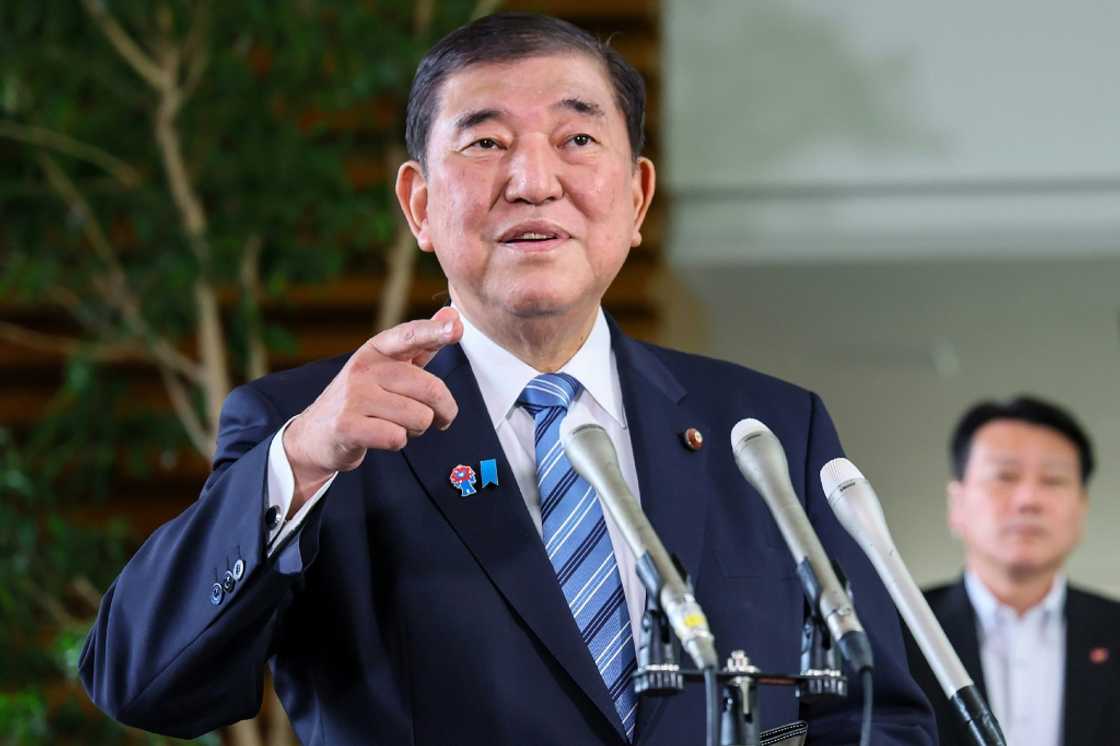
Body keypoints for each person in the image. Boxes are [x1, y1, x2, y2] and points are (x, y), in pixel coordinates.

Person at [80, 13, 935, 745]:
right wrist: (299, 459)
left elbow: (882, 717)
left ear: (637, 200)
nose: (533, 181)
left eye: (577, 139)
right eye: (486, 142)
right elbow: (141, 683)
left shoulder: (771, 430)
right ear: (418, 206)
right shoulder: (316, 431)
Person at [905, 396, 1120, 746]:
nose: (1028, 499)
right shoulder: (898, 634)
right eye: (1004, 476)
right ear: (957, 504)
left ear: (1081, 508)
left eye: (1053, 480)